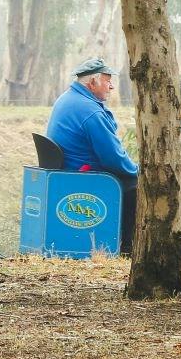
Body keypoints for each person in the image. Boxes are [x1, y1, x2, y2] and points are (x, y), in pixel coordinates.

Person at [44, 57, 138, 253]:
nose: (111, 86)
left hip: (67, 171)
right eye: (107, 80)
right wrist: (138, 171)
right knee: (136, 187)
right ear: (92, 82)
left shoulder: (67, 98)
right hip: (85, 176)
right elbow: (113, 158)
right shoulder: (90, 111)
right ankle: (127, 248)